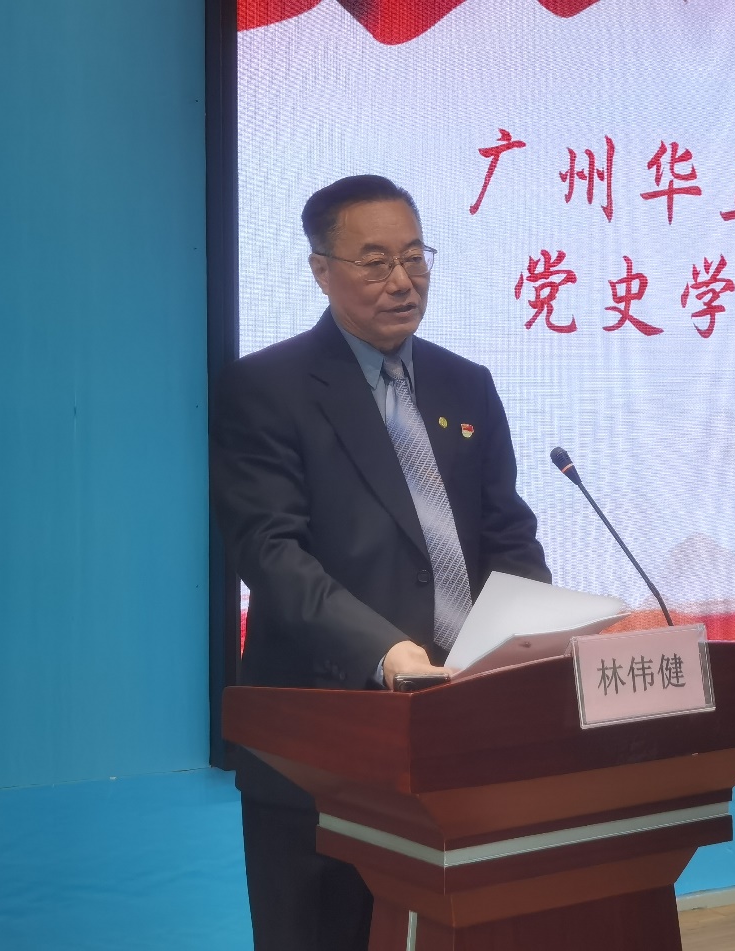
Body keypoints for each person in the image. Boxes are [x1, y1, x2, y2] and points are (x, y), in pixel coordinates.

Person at [210, 174, 551, 949]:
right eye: (374, 262)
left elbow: (506, 534)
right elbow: (270, 551)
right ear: (320, 270)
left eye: (414, 257)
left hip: (462, 728)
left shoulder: (465, 384)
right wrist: (386, 651)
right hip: (326, 739)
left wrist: (534, 630)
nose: (401, 280)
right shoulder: (266, 388)